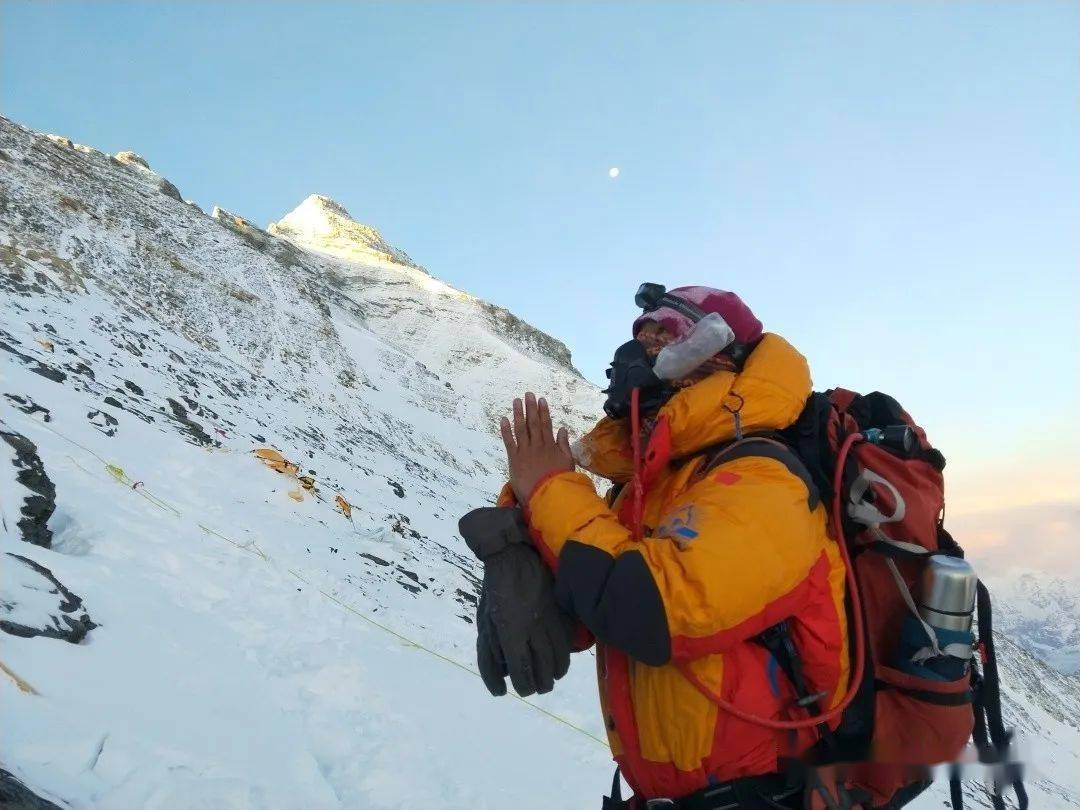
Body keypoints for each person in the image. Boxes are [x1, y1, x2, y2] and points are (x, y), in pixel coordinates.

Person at [459, 284, 850, 809]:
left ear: (719, 353)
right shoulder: (649, 487)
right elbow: (586, 606)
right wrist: (516, 535)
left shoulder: (764, 478)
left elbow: (654, 607)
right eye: (640, 335)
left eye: (666, 333)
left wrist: (549, 489)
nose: (641, 350)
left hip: (768, 797)